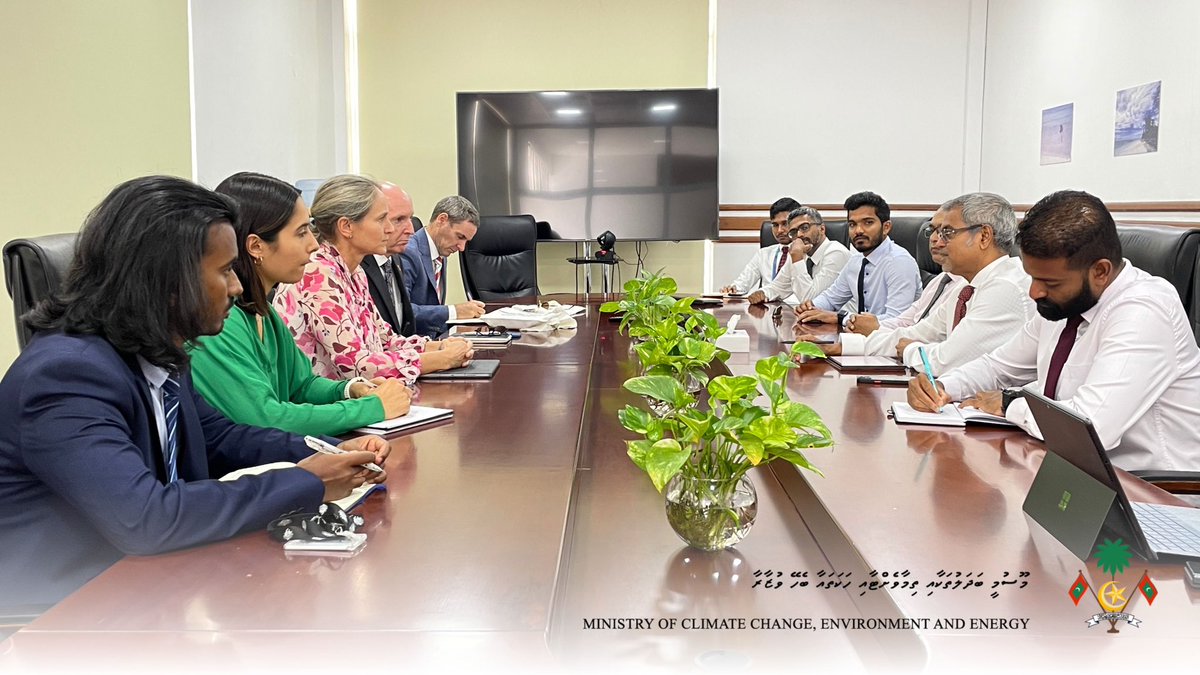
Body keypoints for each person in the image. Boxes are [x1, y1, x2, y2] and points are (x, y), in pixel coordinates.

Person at [0, 175, 389, 608]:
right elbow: (146, 517)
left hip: (151, 586)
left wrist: (324, 450)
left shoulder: (154, 348)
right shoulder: (66, 376)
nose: (238, 286)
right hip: (62, 614)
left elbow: (220, 437)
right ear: (166, 281)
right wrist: (305, 482)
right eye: (224, 271)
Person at [908, 190, 1200, 472]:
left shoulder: (1145, 310)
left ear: (1100, 271)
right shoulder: (1062, 302)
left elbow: (1092, 426)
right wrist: (943, 386)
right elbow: (998, 366)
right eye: (1032, 277)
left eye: (1050, 282)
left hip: (1153, 494)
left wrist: (1009, 402)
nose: (1035, 292)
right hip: (1071, 472)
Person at [189, 172, 413, 436]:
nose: (313, 244)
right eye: (301, 232)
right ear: (256, 246)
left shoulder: (264, 313)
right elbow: (265, 417)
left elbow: (302, 386)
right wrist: (372, 408)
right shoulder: (221, 322)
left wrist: (349, 389)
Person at [800, 193, 1032, 375]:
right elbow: (916, 333)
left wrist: (910, 349)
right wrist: (840, 346)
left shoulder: (1005, 287)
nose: (935, 240)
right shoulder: (964, 287)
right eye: (935, 231)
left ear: (983, 237)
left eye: (947, 232)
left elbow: (945, 360)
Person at [273, 175, 472, 381]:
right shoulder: (317, 274)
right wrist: (443, 359)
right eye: (381, 219)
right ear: (346, 227)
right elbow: (357, 365)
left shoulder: (355, 272)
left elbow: (385, 341)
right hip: (326, 405)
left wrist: (439, 346)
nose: (389, 228)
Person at [794, 191, 921, 327]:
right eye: (852, 224)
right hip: (862, 339)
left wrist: (841, 318)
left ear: (886, 227)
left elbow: (898, 320)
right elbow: (831, 298)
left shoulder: (899, 262)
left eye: (868, 223)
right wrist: (811, 307)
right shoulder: (856, 261)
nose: (858, 230)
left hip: (892, 342)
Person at [400, 195, 487, 337]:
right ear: (442, 220)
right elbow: (404, 312)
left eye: (466, 241)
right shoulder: (408, 252)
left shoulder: (440, 252)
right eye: (460, 237)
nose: (462, 248)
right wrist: (454, 311)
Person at [746, 206, 850, 305]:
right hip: (814, 320)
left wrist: (797, 258)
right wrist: (763, 293)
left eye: (805, 228)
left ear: (822, 229)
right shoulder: (800, 253)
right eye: (794, 232)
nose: (799, 235)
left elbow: (812, 301)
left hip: (843, 321)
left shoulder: (836, 253)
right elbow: (778, 287)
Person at [361, 181, 417, 336]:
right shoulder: (355, 267)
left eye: (410, 218)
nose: (411, 230)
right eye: (398, 219)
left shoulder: (396, 258)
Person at [720, 197, 801, 296]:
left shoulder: (809, 253)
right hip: (766, 307)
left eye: (785, 224)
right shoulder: (763, 254)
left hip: (796, 308)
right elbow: (742, 284)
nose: (779, 230)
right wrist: (733, 289)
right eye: (775, 225)